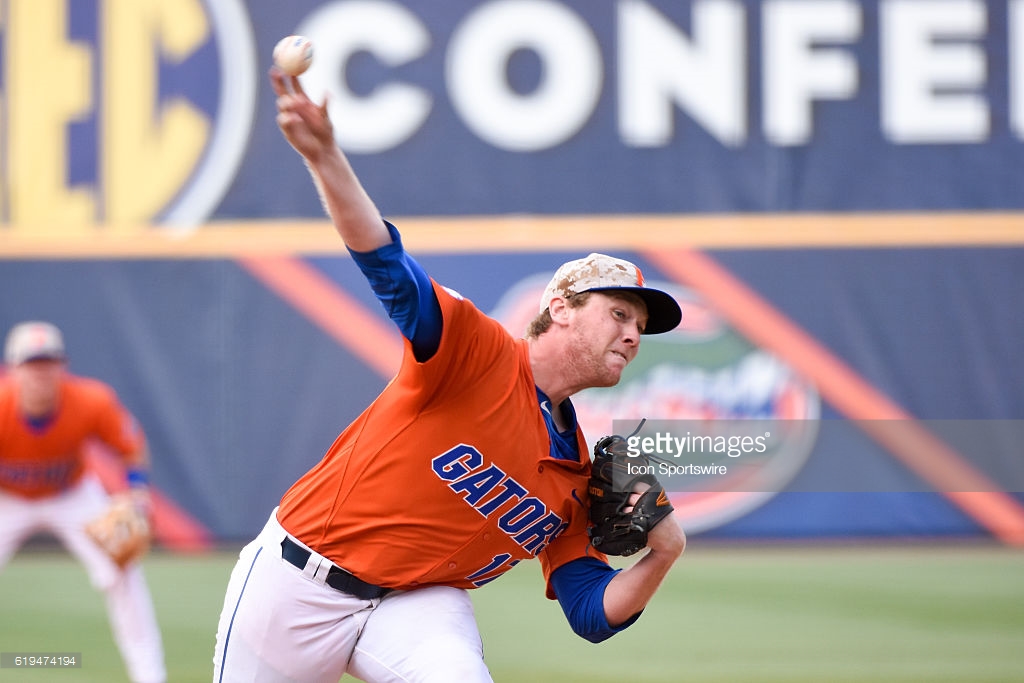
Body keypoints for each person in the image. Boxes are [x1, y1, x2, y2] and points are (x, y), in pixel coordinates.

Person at [212, 68, 687, 683]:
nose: (632, 334)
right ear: (561, 309)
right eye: (619, 313)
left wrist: (666, 550)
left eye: (640, 327)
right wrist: (325, 157)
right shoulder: (474, 351)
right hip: (301, 582)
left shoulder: (576, 472)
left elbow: (591, 611)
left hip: (417, 605)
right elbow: (387, 265)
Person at [0, 321, 166, 683]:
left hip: (71, 494)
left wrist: (137, 492)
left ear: (64, 366)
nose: (42, 372)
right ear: (12, 369)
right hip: (7, 499)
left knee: (123, 572)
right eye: (32, 363)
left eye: (49, 362)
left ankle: (150, 676)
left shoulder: (91, 400)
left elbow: (131, 447)